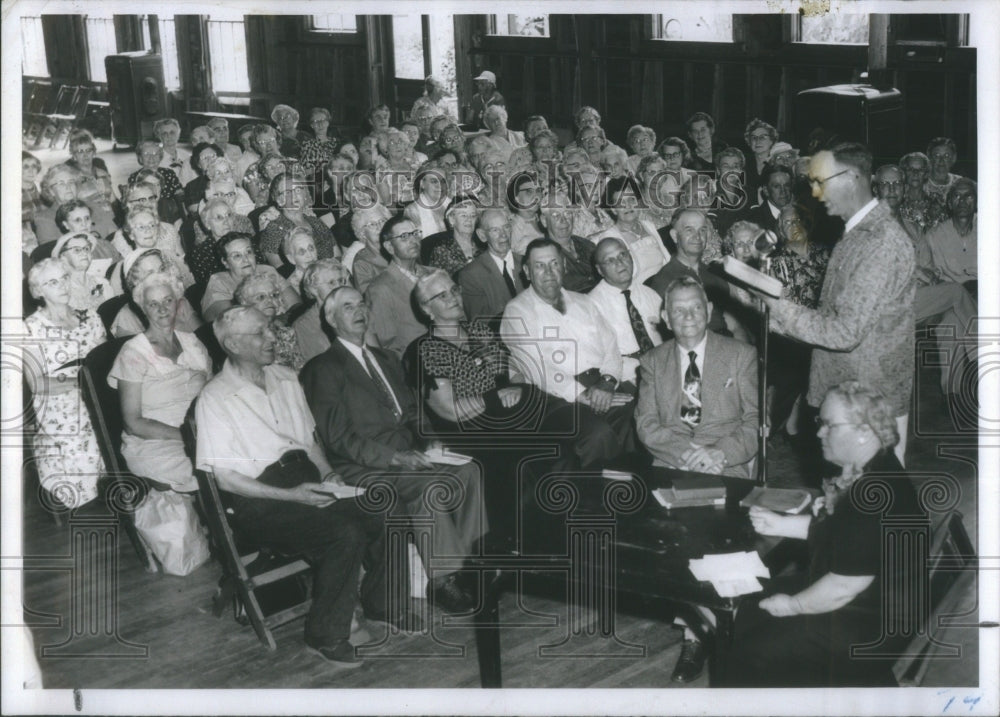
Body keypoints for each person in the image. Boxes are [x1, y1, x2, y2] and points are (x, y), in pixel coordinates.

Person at [196, 305, 405, 668]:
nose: (272, 337)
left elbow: (310, 444)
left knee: (387, 507)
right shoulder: (214, 399)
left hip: (306, 479)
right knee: (344, 533)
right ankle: (324, 634)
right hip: (260, 500)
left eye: (270, 329)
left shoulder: (286, 378)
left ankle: (380, 603)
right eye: (260, 333)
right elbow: (228, 479)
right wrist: (293, 495)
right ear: (231, 344)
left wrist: (328, 476)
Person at [300, 287, 487, 613]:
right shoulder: (323, 368)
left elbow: (413, 412)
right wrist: (394, 457)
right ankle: (445, 581)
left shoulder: (386, 358)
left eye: (361, 304)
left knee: (469, 470)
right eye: (347, 307)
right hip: (363, 465)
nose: (358, 311)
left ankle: (473, 564)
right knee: (430, 487)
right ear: (331, 320)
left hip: (408, 455)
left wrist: (430, 442)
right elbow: (337, 438)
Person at [723, 381, 922, 687]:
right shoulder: (874, 469)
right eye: (820, 422)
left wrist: (793, 605)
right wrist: (780, 525)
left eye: (829, 425)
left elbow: (844, 586)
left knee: (751, 652)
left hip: (869, 628)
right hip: (870, 602)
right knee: (749, 604)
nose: (818, 433)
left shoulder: (871, 497)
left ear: (863, 431)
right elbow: (843, 535)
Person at [756, 142, 915, 465]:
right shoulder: (857, 233)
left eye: (821, 182)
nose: (815, 193)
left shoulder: (880, 241)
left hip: (868, 401)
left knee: (868, 505)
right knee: (846, 504)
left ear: (853, 179)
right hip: (851, 394)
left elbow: (845, 332)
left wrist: (778, 305)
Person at [500, 238, 635, 469]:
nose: (549, 272)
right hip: (555, 398)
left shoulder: (584, 302)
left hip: (600, 384)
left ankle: (634, 491)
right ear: (527, 272)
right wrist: (584, 395)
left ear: (563, 265)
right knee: (598, 435)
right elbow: (539, 369)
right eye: (540, 266)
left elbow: (611, 345)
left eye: (554, 263)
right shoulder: (516, 312)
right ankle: (597, 500)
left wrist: (608, 382)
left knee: (636, 414)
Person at [636, 275, 758, 476]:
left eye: (696, 307)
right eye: (678, 310)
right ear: (666, 318)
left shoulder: (742, 355)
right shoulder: (653, 361)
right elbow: (646, 424)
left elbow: (757, 420)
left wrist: (720, 453)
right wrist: (687, 455)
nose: (689, 316)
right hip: (672, 459)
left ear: (709, 311)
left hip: (725, 462)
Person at [874, 168, 977, 396]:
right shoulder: (869, 226)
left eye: (897, 184)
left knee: (952, 317)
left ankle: (953, 392)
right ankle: (986, 360)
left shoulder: (912, 227)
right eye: (885, 184)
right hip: (885, 306)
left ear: (905, 188)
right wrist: (913, 272)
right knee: (956, 293)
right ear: (876, 189)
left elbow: (928, 268)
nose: (892, 189)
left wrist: (923, 278)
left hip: (917, 300)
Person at [109, 271, 211, 493]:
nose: (163, 309)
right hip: (155, 444)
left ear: (178, 302)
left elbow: (214, 394)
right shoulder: (133, 353)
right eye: (153, 304)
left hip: (202, 433)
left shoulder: (193, 343)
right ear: (142, 309)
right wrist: (190, 438)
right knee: (212, 468)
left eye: (168, 300)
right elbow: (133, 423)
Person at [23, 259, 107, 509]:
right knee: (84, 435)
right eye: (52, 282)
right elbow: (38, 383)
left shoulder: (91, 316)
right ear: (38, 291)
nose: (62, 286)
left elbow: (106, 362)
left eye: (64, 278)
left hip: (98, 392)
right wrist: (83, 383)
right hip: (61, 401)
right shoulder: (30, 329)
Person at [588, 237, 664, 384]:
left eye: (622, 255)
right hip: (627, 377)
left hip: (664, 365)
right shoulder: (592, 306)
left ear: (630, 256)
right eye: (610, 260)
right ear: (599, 270)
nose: (619, 263)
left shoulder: (649, 294)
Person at [646, 208, 731, 336]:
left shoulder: (714, 273)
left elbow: (732, 322)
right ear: (675, 236)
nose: (697, 236)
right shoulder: (665, 279)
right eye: (689, 230)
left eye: (702, 230)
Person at [365, 216, 433, 358]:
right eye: (404, 237)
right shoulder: (380, 289)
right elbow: (386, 346)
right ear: (389, 247)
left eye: (415, 234)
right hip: (416, 363)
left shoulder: (434, 274)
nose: (413, 241)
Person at [202, 232, 299, 323]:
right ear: (225, 262)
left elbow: (296, 305)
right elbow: (233, 323)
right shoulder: (218, 282)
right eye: (237, 256)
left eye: (248, 252)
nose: (246, 259)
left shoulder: (267, 271)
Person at [593, 177, 672, 284]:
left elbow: (667, 260)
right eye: (621, 202)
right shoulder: (609, 238)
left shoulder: (648, 226)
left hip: (665, 283)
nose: (628, 206)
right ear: (613, 210)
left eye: (631, 199)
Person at [111, 248, 203, 339]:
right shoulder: (126, 318)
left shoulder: (178, 300)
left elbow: (202, 337)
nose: (160, 277)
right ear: (135, 282)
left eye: (161, 270)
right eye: (150, 273)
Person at [457, 208, 527, 326]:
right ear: (482, 235)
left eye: (506, 227)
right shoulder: (471, 275)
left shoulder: (527, 262)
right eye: (495, 230)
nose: (503, 235)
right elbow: (481, 326)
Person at [259, 173, 339, 269]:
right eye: (288, 192)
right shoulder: (273, 229)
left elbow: (338, 255)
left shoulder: (317, 223)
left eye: (297, 190)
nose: (294, 195)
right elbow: (280, 269)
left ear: (304, 194)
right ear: (278, 200)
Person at [234, 270, 306, 372]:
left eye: (274, 295)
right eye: (261, 297)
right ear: (244, 302)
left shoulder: (287, 332)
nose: (270, 301)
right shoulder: (243, 339)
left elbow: (300, 368)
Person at [922, 178, 977, 292]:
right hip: (952, 298)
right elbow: (925, 273)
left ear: (977, 202)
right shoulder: (933, 236)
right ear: (949, 203)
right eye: (957, 196)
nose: (962, 201)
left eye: (968, 196)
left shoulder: (991, 231)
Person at [293, 258, 352, 363]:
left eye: (341, 281)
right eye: (331, 283)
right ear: (314, 289)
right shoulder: (304, 325)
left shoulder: (353, 310)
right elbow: (319, 365)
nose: (339, 287)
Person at [538, 195, 599, 293]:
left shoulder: (588, 246)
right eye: (556, 215)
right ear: (544, 221)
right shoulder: (543, 257)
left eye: (567, 213)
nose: (563, 220)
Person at [51, 232, 115, 312]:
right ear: (63, 257)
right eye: (77, 250)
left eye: (86, 249)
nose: (84, 253)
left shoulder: (102, 283)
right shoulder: (61, 291)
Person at [422, 195, 484, 275]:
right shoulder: (441, 251)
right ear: (451, 220)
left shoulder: (483, 247)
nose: (469, 219)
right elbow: (434, 282)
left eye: (473, 215)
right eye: (463, 215)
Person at [898, 152, 948, 236]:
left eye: (920, 170)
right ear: (904, 173)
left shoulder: (937, 201)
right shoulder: (897, 202)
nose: (915, 174)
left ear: (926, 174)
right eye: (910, 169)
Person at [128, 140, 185, 212]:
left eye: (155, 154)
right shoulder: (134, 177)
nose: (151, 157)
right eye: (146, 154)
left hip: (170, 212)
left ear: (160, 157)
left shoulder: (169, 173)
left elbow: (180, 194)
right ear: (140, 158)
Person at [348, 205, 393, 293]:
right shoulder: (361, 263)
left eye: (382, 221)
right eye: (372, 224)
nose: (380, 227)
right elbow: (370, 297)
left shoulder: (398, 246)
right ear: (362, 233)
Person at [742, 164, 794, 234]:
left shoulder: (801, 215)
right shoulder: (753, 222)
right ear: (766, 190)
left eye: (787, 185)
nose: (783, 191)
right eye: (777, 186)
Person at [403, 168, 449, 239]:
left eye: (443, 181)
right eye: (434, 181)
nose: (440, 186)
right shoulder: (412, 211)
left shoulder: (451, 204)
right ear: (422, 184)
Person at [743, 118, 778, 205]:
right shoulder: (742, 162)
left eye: (762, 137)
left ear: (771, 141)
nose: (758, 141)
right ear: (749, 142)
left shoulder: (777, 163)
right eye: (754, 138)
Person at [153, 118, 194, 186]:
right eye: (164, 133)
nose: (169, 136)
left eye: (172, 132)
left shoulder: (187, 156)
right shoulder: (155, 159)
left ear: (178, 134)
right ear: (159, 136)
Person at [924, 137, 964, 202]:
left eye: (946, 156)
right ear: (929, 158)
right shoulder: (922, 182)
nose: (941, 161)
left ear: (953, 158)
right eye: (937, 156)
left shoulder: (960, 182)